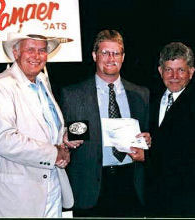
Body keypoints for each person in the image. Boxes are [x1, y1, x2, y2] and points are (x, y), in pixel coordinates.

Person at [59, 29, 151, 217]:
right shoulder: (72, 95)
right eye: (105, 52)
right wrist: (66, 141)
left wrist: (148, 142)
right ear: (94, 56)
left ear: (123, 57)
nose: (111, 58)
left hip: (130, 185)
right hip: (89, 189)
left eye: (116, 53)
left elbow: (149, 137)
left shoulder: (141, 94)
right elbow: (62, 140)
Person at [0, 32, 74, 217]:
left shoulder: (42, 81)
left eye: (42, 50)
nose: (37, 56)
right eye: (30, 50)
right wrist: (54, 153)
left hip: (53, 188)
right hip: (19, 196)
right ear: (15, 53)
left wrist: (65, 137)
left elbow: (44, 129)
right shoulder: (0, 85)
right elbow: (5, 140)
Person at [146, 42, 195, 217]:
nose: (174, 76)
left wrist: (148, 153)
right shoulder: (150, 99)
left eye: (181, 70)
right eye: (169, 69)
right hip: (155, 199)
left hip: (188, 201)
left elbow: (194, 155)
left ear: (191, 72)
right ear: (160, 71)